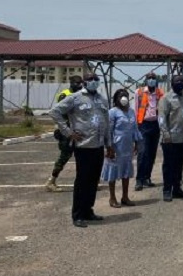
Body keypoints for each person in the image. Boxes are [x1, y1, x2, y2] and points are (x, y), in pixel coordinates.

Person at [50, 72, 112, 228]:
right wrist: (68, 132)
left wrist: (109, 144)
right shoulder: (75, 98)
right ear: (84, 82)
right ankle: (77, 214)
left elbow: (106, 123)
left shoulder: (102, 99)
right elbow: (55, 112)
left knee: (93, 180)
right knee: (82, 181)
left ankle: (88, 210)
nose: (94, 81)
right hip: (83, 146)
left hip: (98, 145)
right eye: (90, 79)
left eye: (96, 79)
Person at [101, 89, 142, 208]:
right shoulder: (112, 112)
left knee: (126, 171)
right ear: (116, 99)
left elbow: (135, 128)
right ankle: (112, 198)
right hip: (116, 146)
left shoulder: (131, 112)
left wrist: (137, 143)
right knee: (112, 172)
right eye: (121, 96)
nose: (123, 97)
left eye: (125, 95)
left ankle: (125, 197)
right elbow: (109, 130)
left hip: (127, 147)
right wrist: (109, 147)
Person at [45, 75, 83, 192]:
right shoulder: (65, 95)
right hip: (67, 131)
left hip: (78, 130)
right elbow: (60, 113)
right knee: (64, 156)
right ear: (71, 83)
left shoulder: (81, 95)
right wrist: (66, 130)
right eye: (77, 83)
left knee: (81, 157)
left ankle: (83, 182)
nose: (79, 85)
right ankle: (51, 181)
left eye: (80, 83)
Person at [157, 75, 183, 202]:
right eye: (177, 81)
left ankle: (177, 189)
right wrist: (166, 135)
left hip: (182, 137)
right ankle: (167, 190)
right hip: (170, 139)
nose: (180, 83)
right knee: (169, 166)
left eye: (182, 81)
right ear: (172, 84)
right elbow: (161, 119)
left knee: (179, 165)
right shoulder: (166, 98)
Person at [134, 72, 164, 191]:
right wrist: (136, 128)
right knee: (142, 152)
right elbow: (136, 109)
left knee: (152, 153)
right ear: (146, 80)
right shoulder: (139, 92)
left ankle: (147, 177)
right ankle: (139, 180)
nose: (151, 80)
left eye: (153, 78)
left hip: (155, 125)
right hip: (143, 125)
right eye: (149, 78)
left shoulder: (160, 93)